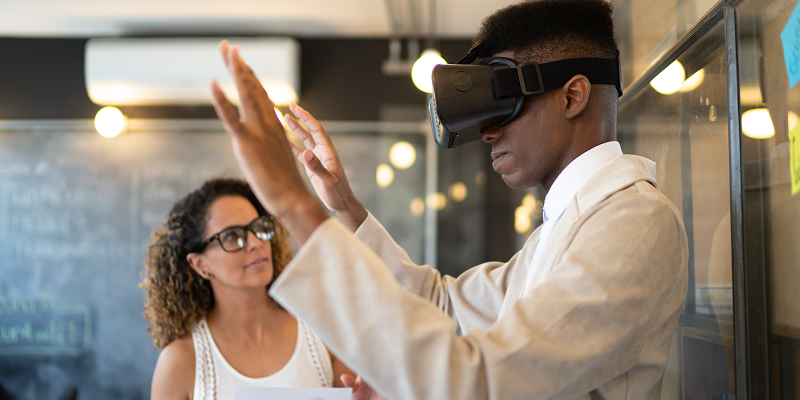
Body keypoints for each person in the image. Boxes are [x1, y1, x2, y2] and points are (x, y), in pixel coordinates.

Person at [209, 0, 689, 398]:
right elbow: (445, 307)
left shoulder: (635, 222)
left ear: (572, 97)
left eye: (503, 103)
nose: (489, 131)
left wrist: (293, 202)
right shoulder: (563, 230)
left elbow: (477, 381)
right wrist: (341, 206)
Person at [140, 178, 354, 400]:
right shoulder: (180, 361)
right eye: (232, 236)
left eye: (257, 228)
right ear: (200, 265)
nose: (255, 243)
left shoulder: (322, 332)